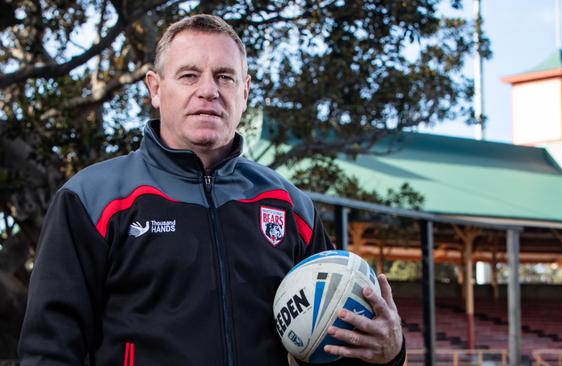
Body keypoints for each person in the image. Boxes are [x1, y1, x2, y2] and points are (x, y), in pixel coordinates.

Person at [19, 14, 405, 366]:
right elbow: (48, 351)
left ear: (245, 91)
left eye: (225, 76)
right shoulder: (91, 198)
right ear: (155, 88)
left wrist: (389, 352)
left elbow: (337, 348)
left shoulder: (290, 207)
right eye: (189, 75)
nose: (209, 90)